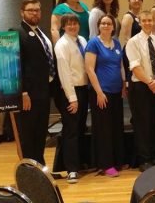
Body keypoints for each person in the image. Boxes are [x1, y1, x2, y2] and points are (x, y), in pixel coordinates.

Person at [15, 0, 59, 165]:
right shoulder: (18, 33)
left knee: (40, 132)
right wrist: (23, 92)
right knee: (28, 134)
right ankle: (28, 169)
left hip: (43, 91)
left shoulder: (40, 32)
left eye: (37, 10)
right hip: (29, 94)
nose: (34, 13)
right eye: (30, 10)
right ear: (22, 12)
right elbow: (18, 65)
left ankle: (40, 167)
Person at [85, 15, 125, 177]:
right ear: (98, 26)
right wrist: (99, 92)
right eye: (103, 23)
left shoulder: (116, 43)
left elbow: (120, 66)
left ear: (113, 27)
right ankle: (105, 164)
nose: (106, 25)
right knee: (104, 130)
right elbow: (89, 69)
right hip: (102, 93)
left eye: (109, 23)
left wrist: (123, 85)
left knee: (116, 127)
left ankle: (117, 160)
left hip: (116, 92)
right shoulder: (93, 43)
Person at [126, 10, 155, 171]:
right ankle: (144, 159)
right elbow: (135, 67)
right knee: (142, 123)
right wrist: (150, 81)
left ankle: (153, 155)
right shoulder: (133, 42)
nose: (148, 23)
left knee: (153, 121)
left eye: (150, 20)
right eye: (145, 21)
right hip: (141, 86)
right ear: (139, 22)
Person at [54, 13, 89, 183]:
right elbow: (64, 73)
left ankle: (80, 162)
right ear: (63, 27)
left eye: (75, 23)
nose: (73, 27)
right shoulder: (61, 44)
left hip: (83, 89)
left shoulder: (82, 40)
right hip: (70, 92)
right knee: (71, 131)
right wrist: (72, 98)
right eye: (69, 24)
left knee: (80, 128)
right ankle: (71, 169)